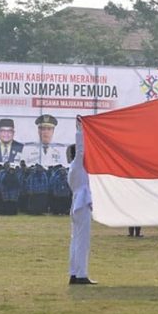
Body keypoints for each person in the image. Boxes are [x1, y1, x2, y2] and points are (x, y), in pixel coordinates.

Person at [67, 116, 97, 285]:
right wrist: (80, 130)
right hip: (82, 203)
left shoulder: (72, 169)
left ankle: (74, 273)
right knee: (82, 241)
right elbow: (81, 150)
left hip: (77, 204)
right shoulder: (77, 164)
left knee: (76, 240)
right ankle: (81, 275)